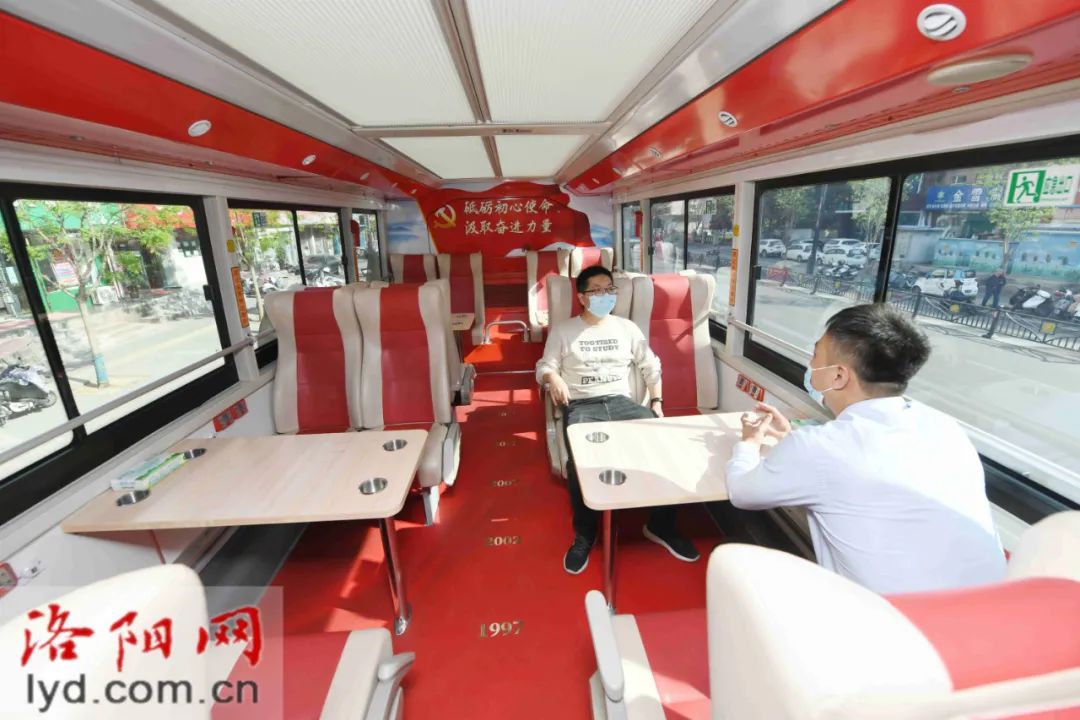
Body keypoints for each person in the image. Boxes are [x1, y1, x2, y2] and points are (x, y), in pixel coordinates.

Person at [726, 303, 1005, 594]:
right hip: (988, 605)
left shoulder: (818, 447)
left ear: (838, 376)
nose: (810, 364)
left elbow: (742, 492)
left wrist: (749, 442)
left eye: (815, 354)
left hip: (889, 617)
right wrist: (791, 442)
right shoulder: (945, 427)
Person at [537, 265, 699, 574]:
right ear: (582, 297)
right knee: (579, 464)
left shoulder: (627, 328)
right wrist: (553, 378)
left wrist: (656, 402)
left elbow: (651, 365)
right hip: (583, 406)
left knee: (667, 450)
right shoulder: (564, 331)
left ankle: (660, 525)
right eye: (596, 290)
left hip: (622, 403)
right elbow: (544, 366)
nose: (605, 296)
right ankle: (585, 533)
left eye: (609, 289)